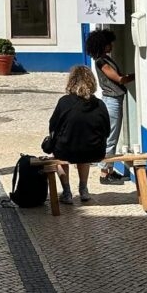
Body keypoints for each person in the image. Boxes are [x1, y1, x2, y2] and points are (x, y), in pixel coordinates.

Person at [44, 65, 110, 204]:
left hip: (66, 149)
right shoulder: (99, 104)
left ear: (71, 81)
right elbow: (107, 130)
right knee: (84, 153)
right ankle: (83, 189)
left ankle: (67, 192)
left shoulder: (64, 102)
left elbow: (53, 125)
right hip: (94, 151)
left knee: (60, 155)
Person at [85, 28, 134, 183]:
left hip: (113, 100)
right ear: (102, 45)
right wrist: (135, 75)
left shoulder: (104, 59)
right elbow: (118, 79)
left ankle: (109, 169)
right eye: (108, 43)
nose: (111, 45)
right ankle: (104, 172)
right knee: (111, 136)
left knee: (112, 134)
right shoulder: (102, 62)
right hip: (112, 101)